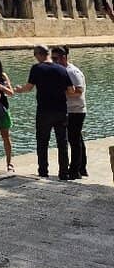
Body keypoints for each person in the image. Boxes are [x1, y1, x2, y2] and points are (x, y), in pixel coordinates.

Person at [14, 44, 71, 179]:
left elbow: (28, 88)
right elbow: (71, 90)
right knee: (62, 143)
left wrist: (18, 89)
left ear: (39, 55)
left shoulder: (37, 68)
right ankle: (64, 173)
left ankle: (43, 171)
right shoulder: (61, 69)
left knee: (42, 142)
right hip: (61, 110)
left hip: (44, 111)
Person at [54, 45, 87, 178]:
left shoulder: (72, 72)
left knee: (74, 140)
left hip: (76, 110)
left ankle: (75, 170)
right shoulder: (61, 71)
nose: (53, 61)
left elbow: (79, 91)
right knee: (77, 139)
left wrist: (62, 93)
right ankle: (81, 167)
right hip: (69, 109)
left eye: (55, 58)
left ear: (63, 57)